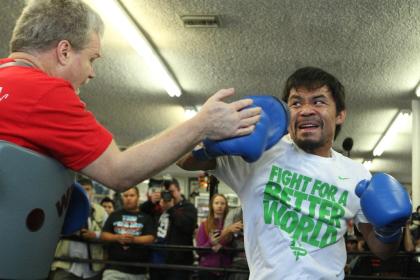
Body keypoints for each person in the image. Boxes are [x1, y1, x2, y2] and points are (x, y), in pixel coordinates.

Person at [0, 0, 261, 192]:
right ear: (64, 51)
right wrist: (202, 124)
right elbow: (119, 173)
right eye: (92, 59)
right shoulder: (46, 92)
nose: (91, 73)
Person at [178, 67, 409, 279]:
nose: (306, 110)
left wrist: (390, 230)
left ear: (340, 114)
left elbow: (381, 250)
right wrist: (210, 143)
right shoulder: (262, 152)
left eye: (318, 102)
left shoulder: (357, 174)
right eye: (296, 103)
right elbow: (182, 160)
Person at [50, 178, 108, 280]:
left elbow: (108, 233)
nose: (85, 192)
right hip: (66, 265)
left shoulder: (101, 211)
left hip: (92, 268)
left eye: (88, 189)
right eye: (82, 190)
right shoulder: (64, 209)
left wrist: (94, 234)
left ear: (93, 191)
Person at [100, 186, 154, 280]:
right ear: (122, 198)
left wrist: (134, 239)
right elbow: (103, 235)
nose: (128, 198)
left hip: (138, 271)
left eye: (132, 195)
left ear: (138, 197)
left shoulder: (146, 218)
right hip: (114, 269)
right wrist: (117, 237)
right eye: (126, 196)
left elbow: (151, 238)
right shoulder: (114, 215)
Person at [149, 179, 197, 280]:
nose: (168, 196)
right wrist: (150, 202)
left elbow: (187, 227)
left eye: (171, 192)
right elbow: (142, 213)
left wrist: (171, 209)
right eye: (165, 193)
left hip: (178, 263)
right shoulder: (158, 207)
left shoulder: (189, 207)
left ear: (179, 190)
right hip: (156, 261)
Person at [196, 194, 234, 280]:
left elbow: (233, 249)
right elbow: (199, 250)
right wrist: (211, 243)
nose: (219, 206)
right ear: (212, 205)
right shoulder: (204, 225)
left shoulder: (230, 226)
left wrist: (222, 247)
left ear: (226, 206)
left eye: (222, 203)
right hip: (207, 270)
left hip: (225, 270)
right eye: (216, 203)